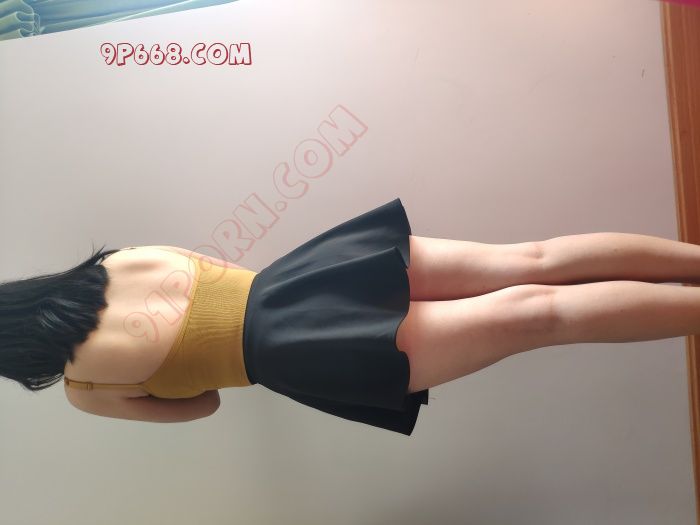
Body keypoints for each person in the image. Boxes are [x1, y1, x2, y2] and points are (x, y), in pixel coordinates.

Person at [1, 197, 698, 436]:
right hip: (301, 274)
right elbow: (218, 269)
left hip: (297, 350)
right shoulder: (118, 263)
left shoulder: (84, 390)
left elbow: (204, 405)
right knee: (534, 260)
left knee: (540, 316)